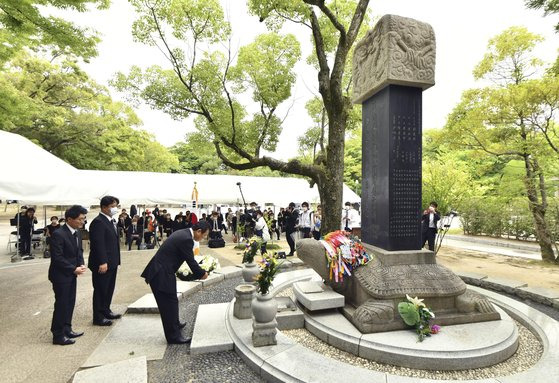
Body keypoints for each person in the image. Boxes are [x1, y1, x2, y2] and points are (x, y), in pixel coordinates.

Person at [141, 222, 210, 344]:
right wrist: (202, 273)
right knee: (167, 304)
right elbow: (190, 260)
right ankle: (173, 337)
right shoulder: (186, 239)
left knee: (172, 300)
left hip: (163, 271)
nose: (203, 238)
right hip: (160, 274)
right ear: (198, 231)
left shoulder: (183, 233)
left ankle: (175, 324)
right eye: (204, 235)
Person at [48, 205, 88, 345]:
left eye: (83, 218)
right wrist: (73, 268)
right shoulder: (59, 234)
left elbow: (79, 251)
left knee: (70, 302)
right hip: (60, 275)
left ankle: (67, 328)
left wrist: (81, 263)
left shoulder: (76, 232)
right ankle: (58, 335)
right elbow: (57, 258)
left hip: (71, 273)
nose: (82, 221)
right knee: (61, 304)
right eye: (80, 219)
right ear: (69, 219)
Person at [88, 195, 121, 326]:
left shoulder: (111, 221)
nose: (115, 209)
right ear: (104, 207)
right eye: (113, 206)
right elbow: (98, 244)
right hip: (103, 263)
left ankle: (106, 310)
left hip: (112, 261)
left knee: (109, 288)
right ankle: (98, 316)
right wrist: (103, 262)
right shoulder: (98, 222)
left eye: (116, 206)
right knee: (101, 289)